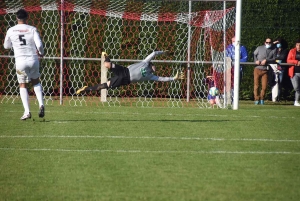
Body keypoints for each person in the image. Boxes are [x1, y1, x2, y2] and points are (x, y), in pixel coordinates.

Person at [76, 51, 184, 94]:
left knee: (105, 85)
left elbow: (162, 79)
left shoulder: (151, 76)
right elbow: (154, 53)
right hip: (124, 70)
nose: (156, 68)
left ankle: (86, 88)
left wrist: (173, 78)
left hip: (125, 80)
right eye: (155, 66)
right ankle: (106, 56)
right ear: (151, 65)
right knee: (106, 64)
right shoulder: (145, 62)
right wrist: (164, 52)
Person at [3, 9, 45, 120]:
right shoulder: (32, 29)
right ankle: (41, 104)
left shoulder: (11, 30)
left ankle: (27, 111)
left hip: (20, 61)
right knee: (36, 81)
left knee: (22, 84)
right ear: (27, 18)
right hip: (33, 60)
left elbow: (6, 46)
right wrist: (41, 53)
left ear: (17, 18)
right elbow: (39, 45)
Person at [253, 37, 276, 105]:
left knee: (264, 86)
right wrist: (255, 61)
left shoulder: (273, 49)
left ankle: (262, 98)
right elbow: (254, 54)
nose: (268, 43)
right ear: (264, 42)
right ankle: (256, 99)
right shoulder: (259, 48)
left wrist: (267, 60)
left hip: (265, 70)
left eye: (269, 42)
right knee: (256, 85)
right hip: (257, 68)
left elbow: (274, 59)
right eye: (267, 42)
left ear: (271, 43)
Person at [226, 36, 248, 103]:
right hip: (229, 69)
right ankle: (229, 98)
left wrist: (237, 61)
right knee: (229, 84)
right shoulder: (229, 47)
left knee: (236, 84)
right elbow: (226, 56)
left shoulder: (242, 48)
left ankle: (235, 98)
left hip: (238, 69)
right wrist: (230, 60)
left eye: (235, 41)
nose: (234, 43)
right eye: (233, 41)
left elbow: (245, 58)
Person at [269, 37, 289, 102]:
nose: (278, 44)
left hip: (281, 68)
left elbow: (282, 57)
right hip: (273, 68)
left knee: (279, 82)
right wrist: (273, 43)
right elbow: (268, 50)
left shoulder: (285, 50)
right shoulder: (274, 49)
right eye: (277, 42)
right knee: (273, 82)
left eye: (279, 42)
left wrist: (274, 58)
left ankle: (278, 97)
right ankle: (273, 97)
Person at [286, 38, 300, 107]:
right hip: (294, 73)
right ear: (296, 45)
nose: (298, 47)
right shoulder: (292, 51)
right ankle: (296, 101)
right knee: (296, 87)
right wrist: (296, 62)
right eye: (297, 45)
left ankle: (296, 101)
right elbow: (288, 60)